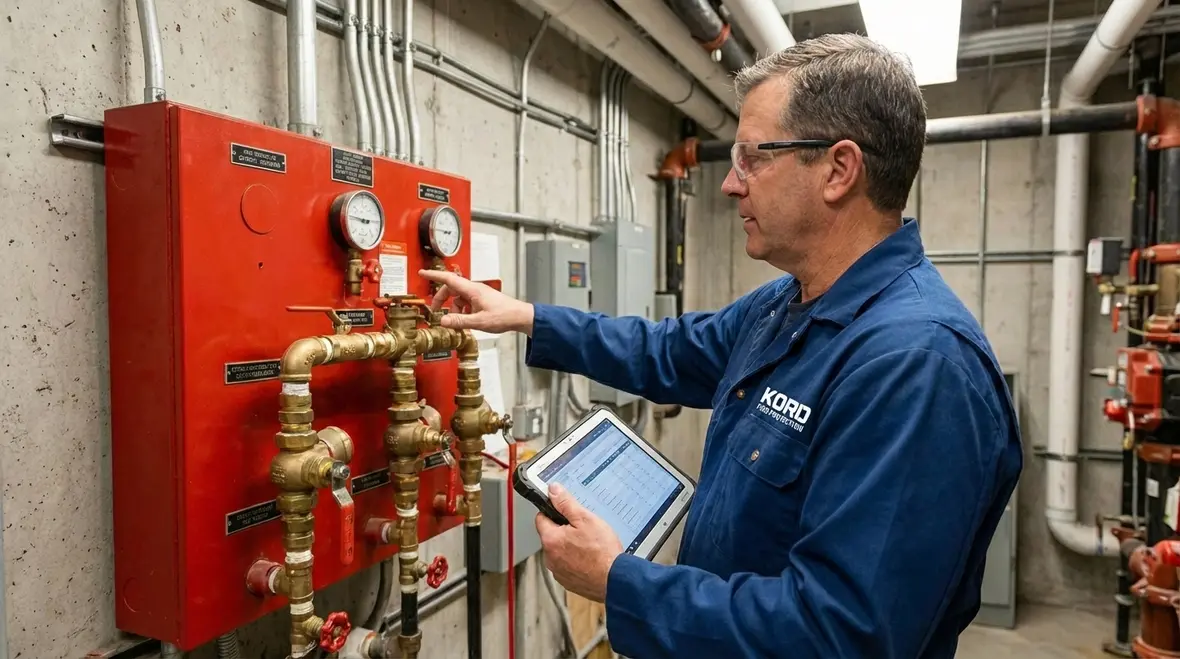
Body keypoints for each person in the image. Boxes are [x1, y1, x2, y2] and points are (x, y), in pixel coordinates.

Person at [419, 33, 1022, 659]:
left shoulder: (916, 366)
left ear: (839, 170)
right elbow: (665, 351)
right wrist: (525, 317)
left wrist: (621, 584)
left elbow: (842, 636)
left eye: (753, 158)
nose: (732, 184)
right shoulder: (785, 305)